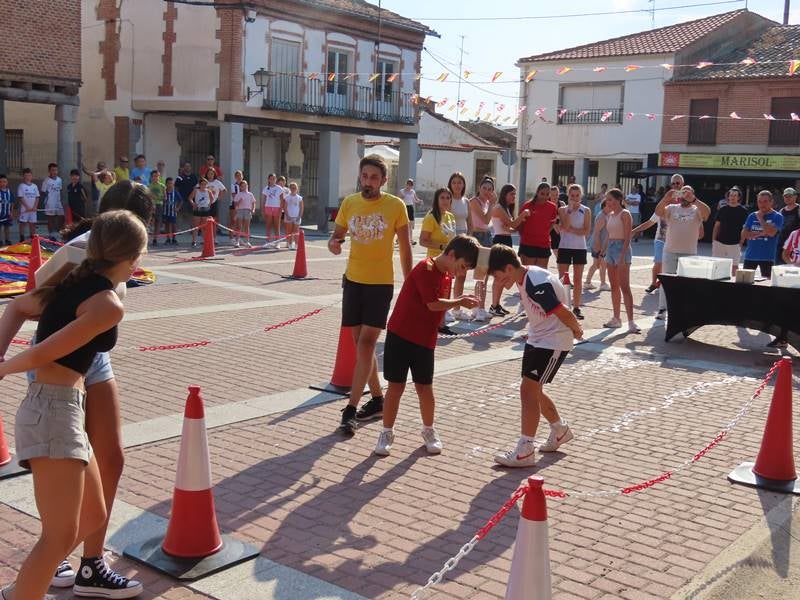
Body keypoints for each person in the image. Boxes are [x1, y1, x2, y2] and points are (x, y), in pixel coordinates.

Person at [0, 205, 151, 600]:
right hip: (53, 411)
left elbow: (17, 307)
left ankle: (25, 589)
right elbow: (41, 354)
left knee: (93, 516)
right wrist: (0, 368)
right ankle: (24, 592)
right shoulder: (107, 304)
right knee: (58, 536)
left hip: (61, 407)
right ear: (132, 258)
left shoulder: (72, 284)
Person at [328, 154, 411, 436]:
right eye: (365, 176)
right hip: (353, 281)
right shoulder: (350, 203)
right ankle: (377, 400)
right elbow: (337, 235)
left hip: (380, 285)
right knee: (360, 346)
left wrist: (410, 281)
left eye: (374, 177)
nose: (368, 182)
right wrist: (334, 244)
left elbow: (405, 246)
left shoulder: (395, 205)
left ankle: (350, 410)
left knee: (365, 346)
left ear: (384, 180)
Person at [374, 235, 481, 456]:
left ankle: (429, 430)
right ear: (451, 255)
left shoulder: (447, 276)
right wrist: (460, 302)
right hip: (400, 335)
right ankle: (386, 432)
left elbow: (438, 309)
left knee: (425, 388)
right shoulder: (426, 268)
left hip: (425, 339)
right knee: (396, 388)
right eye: (461, 266)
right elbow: (433, 304)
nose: (461, 273)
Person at [488, 244, 582, 467]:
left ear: (509, 268)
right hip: (538, 338)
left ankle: (525, 450)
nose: (499, 282)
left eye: (499, 276)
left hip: (553, 341)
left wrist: (576, 330)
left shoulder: (535, 282)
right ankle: (560, 430)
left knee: (528, 390)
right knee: (533, 390)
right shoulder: (525, 275)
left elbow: (562, 311)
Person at [654, 183, 711, 320]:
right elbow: (658, 212)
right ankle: (662, 309)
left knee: (687, 284)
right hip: (670, 251)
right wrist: (665, 198)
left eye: (688, 192)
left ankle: (684, 309)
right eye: (683, 191)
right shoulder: (672, 208)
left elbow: (707, 213)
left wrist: (694, 199)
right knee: (666, 281)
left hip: (689, 253)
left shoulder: (697, 209)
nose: (685, 194)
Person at [598, 189, 640, 333]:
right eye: (607, 199)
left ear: (619, 199)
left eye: (610, 199)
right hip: (611, 248)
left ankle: (631, 322)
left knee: (625, 287)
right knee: (614, 286)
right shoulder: (609, 215)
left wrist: (622, 256)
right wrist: (603, 251)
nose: (608, 202)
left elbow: (628, 237)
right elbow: (609, 235)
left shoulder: (625, 214)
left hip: (622, 249)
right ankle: (616, 318)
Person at [419, 188, 457, 334]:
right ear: (436, 199)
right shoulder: (431, 217)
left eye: (448, 198)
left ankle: (441, 324)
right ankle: (432, 323)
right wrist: (441, 246)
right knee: (434, 294)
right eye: (442, 197)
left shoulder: (450, 217)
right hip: (434, 261)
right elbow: (423, 240)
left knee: (446, 292)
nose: (445, 200)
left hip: (449, 261)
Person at [489, 184, 528, 316]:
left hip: (506, 239)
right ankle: (494, 305)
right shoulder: (499, 208)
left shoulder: (505, 208)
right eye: (512, 194)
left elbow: (511, 228)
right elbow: (512, 224)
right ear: (505, 194)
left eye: (515, 194)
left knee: (504, 274)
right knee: (499, 275)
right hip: (500, 241)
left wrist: (513, 226)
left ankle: (497, 305)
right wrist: (523, 215)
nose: (514, 197)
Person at [557, 184, 591, 320]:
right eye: (572, 196)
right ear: (568, 196)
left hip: (579, 248)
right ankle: (563, 306)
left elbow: (586, 231)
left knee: (577, 279)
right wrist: (570, 211)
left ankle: (576, 307)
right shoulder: (562, 209)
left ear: (581, 196)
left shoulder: (586, 210)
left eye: (577, 196)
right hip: (564, 246)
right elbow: (564, 226)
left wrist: (571, 230)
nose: (575, 198)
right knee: (563, 278)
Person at [468, 176, 497, 321]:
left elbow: (489, 223)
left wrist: (491, 204)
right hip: (478, 237)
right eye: (484, 188)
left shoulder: (487, 203)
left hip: (487, 236)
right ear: (479, 188)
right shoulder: (474, 202)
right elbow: (485, 220)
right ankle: (478, 308)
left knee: (484, 276)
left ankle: (479, 307)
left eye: (490, 189)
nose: (487, 191)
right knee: (480, 275)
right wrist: (492, 204)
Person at [446, 172, 472, 322]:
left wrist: (470, 237)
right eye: (454, 182)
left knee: (461, 276)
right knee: (449, 276)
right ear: (450, 184)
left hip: (464, 239)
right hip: (451, 240)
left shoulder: (466, 201)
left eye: (460, 182)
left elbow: (470, 223)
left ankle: (457, 309)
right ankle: (447, 309)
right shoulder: (447, 200)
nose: (457, 185)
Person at [741, 190, 783, 279]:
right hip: (750, 256)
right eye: (759, 201)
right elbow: (744, 234)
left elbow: (771, 233)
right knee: (744, 282)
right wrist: (763, 233)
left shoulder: (777, 216)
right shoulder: (752, 216)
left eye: (765, 201)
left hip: (768, 257)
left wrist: (760, 218)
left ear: (771, 202)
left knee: (767, 285)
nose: (762, 204)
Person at [518, 182, 558, 269]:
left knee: (541, 274)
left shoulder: (552, 207)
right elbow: (520, 225)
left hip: (544, 244)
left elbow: (552, 222)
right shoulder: (527, 205)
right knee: (528, 273)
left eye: (547, 194)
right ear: (537, 192)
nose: (544, 196)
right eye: (542, 193)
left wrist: (545, 232)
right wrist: (525, 236)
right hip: (528, 244)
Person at [712, 186, 748, 277]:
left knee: (734, 267)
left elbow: (745, 228)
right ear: (728, 197)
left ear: (739, 197)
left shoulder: (743, 211)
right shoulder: (722, 209)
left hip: (735, 243)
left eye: (735, 195)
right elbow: (717, 226)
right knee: (717, 265)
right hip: (720, 242)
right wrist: (714, 240)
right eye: (731, 195)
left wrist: (741, 241)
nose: (732, 197)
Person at [584, 199, 610, 291]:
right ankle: (597, 283)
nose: (611, 207)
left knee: (600, 264)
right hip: (598, 244)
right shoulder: (602, 217)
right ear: (603, 206)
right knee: (598, 264)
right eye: (608, 205)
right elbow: (596, 232)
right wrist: (598, 246)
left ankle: (591, 282)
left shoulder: (607, 215)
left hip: (602, 245)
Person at [189, 177, 214, 247]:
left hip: (205, 209)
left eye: (205, 184)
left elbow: (212, 198)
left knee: (204, 226)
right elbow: (190, 198)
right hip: (198, 209)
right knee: (196, 226)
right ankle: (194, 241)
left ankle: (205, 241)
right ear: (199, 184)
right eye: (202, 184)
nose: (203, 185)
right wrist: (193, 204)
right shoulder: (196, 190)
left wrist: (209, 204)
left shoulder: (208, 191)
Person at [41, 162, 64, 240]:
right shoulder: (46, 181)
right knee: (51, 219)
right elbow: (43, 192)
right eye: (53, 170)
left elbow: (60, 190)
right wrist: (47, 196)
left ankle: (60, 232)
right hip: (50, 202)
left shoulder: (59, 180)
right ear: (49, 171)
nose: (54, 172)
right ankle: (51, 235)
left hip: (58, 202)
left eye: (56, 170)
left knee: (61, 217)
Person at [776, 188, 799, 265]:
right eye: (786, 196)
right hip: (781, 244)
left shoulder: (799, 209)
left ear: (795, 197)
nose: (787, 198)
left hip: (794, 245)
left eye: (790, 196)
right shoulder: (781, 211)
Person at [17, 167, 39, 243]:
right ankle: (21, 238)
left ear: (31, 176)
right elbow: (21, 197)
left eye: (29, 175)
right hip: (25, 209)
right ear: (23, 176)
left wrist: (35, 206)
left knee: (32, 224)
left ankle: (33, 238)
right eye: (26, 175)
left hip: (33, 210)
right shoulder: (21, 186)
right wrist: (27, 207)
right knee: (23, 223)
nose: (28, 177)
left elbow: (37, 197)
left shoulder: (35, 186)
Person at [233, 180, 256, 248]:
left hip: (248, 210)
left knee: (246, 226)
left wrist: (253, 209)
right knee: (239, 226)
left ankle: (247, 241)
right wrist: (239, 203)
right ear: (240, 187)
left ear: (247, 186)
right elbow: (235, 204)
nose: (244, 187)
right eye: (242, 186)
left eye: (245, 185)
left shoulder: (250, 194)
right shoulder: (238, 194)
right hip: (240, 210)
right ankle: (237, 241)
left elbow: (253, 202)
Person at [399, 178, 422, 245]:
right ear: (406, 184)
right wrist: (401, 198)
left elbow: (415, 200)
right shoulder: (402, 191)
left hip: (410, 208)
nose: (409, 186)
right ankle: (399, 238)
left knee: (410, 225)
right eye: (408, 184)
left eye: (411, 184)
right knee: (403, 224)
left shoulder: (413, 192)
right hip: (404, 207)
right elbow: (398, 200)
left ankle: (411, 240)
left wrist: (419, 201)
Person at [261, 173, 283, 247]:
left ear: (276, 179)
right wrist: (262, 210)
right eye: (271, 179)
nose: (272, 180)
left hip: (277, 208)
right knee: (268, 225)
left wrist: (281, 210)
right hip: (268, 208)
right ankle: (267, 241)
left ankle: (277, 242)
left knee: (277, 225)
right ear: (268, 180)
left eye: (274, 179)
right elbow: (263, 200)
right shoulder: (266, 188)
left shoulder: (279, 188)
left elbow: (282, 200)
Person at [282, 182, 303, 250]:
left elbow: (301, 207)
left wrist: (299, 216)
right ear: (290, 189)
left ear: (297, 189)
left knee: (296, 231)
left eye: (294, 188)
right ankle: (290, 244)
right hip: (289, 216)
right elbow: (284, 207)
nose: (293, 189)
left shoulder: (299, 198)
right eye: (292, 188)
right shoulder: (287, 197)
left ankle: (296, 244)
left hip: (296, 217)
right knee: (289, 231)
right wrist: (287, 215)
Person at [148, 170, 166, 246]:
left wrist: (157, 197)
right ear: (151, 177)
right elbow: (148, 196)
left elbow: (165, 197)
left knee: (157, 222)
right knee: (149, 222)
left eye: (157, 176)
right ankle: (147, 238)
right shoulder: (149, 186)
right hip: (151, 205)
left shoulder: (162, 186)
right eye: (154, 176)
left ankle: (155, 239)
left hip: (159, 205)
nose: (156, 178)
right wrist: (153, 199)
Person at [163, 177, 182, 245]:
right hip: (165, 211)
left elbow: (181, 201)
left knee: (174, 225)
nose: (170, 185)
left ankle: (174, 238)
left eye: (172, 183)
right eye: (169, 183)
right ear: (166, 184)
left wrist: (178, 208)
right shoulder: (164, 191)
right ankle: (168, 238)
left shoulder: (175, 192)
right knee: (167, 225)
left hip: (173, 212)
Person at [0, 174, 15, 246]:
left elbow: (12, 203)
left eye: (4, 182)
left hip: (7, 214)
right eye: (1, 182)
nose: (3, 183)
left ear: (7, 182)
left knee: (7, 227)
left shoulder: (9, 192)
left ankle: (7, 239)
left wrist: (11, 212)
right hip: (0, 214)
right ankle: (0, 240)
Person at [229, 170, 244, 237]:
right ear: (235, 177)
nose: (239, 177)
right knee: (233, 220)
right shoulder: (233, 185)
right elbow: (234, 195)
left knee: (240, 222)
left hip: (243, 205)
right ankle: (231, 236)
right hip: (234, 204)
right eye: (237, 176)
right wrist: (239, 201)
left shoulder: (245, 185)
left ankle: (238, 237)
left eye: (240, 175)